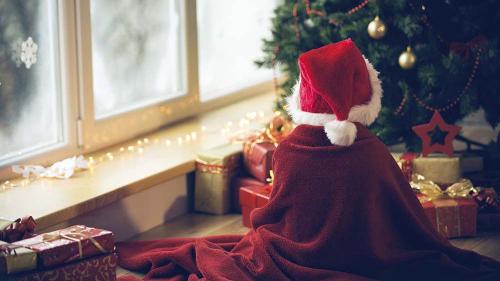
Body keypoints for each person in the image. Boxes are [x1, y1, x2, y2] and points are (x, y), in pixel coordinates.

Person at [117, 39, 500, 281]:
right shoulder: (373, 153)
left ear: (302, 99)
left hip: (292, 253)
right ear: (366, 99)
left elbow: (274, 215)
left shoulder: (287, 150)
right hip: (369, 254)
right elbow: (402, 214)